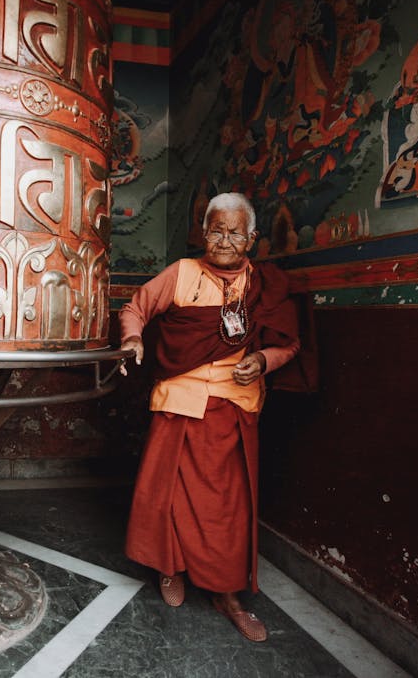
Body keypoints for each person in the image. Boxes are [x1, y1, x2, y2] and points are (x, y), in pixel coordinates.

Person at [118, 192, 300, 643]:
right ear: (203, 232)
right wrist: (132, 338)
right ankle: (168, 568)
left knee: (229, 507)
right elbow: (135, 308)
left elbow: (290, 345)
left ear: (251, 238)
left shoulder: (265, 285)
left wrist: (262, 360)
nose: (223, 240)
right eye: (215, 230)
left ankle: (227, 592)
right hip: (180, 399)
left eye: (234, 232)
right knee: (166, 494)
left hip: (234, 403)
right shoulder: (182, 273)